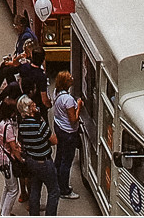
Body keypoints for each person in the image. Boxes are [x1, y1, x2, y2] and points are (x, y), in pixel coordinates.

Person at [14, 97, 58, 216]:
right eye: (33, 105)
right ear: (29, 109)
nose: (36, 106)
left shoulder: (22, 125)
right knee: (54, 190)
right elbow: (53, 140)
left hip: (31, 161)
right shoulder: (39, 124)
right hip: (44, 161)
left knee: (35, 189)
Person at [50, 72, 83, 203]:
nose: (72, 79)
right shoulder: (68, 100)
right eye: (70, 79)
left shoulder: (56, 93)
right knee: (66, 161)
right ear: (66, 83)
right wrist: (79, 106)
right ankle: (64, 190)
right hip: (68, 132)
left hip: (59, 127)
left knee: (59, 156)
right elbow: (73, 119)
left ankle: (56, 183)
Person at [0, 101, 24, 216]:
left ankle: (3, 208)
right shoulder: (8, 126)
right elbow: (13, 148)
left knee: (8, 185)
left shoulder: (1, 123)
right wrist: (21, 159)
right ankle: (5, 214)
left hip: (0, 157)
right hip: (7, 160)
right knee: (13, 190)